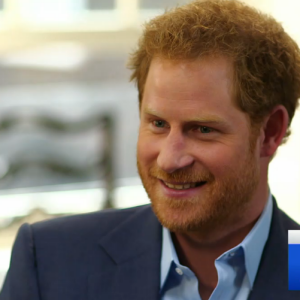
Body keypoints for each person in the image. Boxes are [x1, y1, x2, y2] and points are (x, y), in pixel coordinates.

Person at [1, 0, 300, 299]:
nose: (169, 159)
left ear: (270, 132)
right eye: (158, 124)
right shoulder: (48, 261)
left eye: (203, 130)